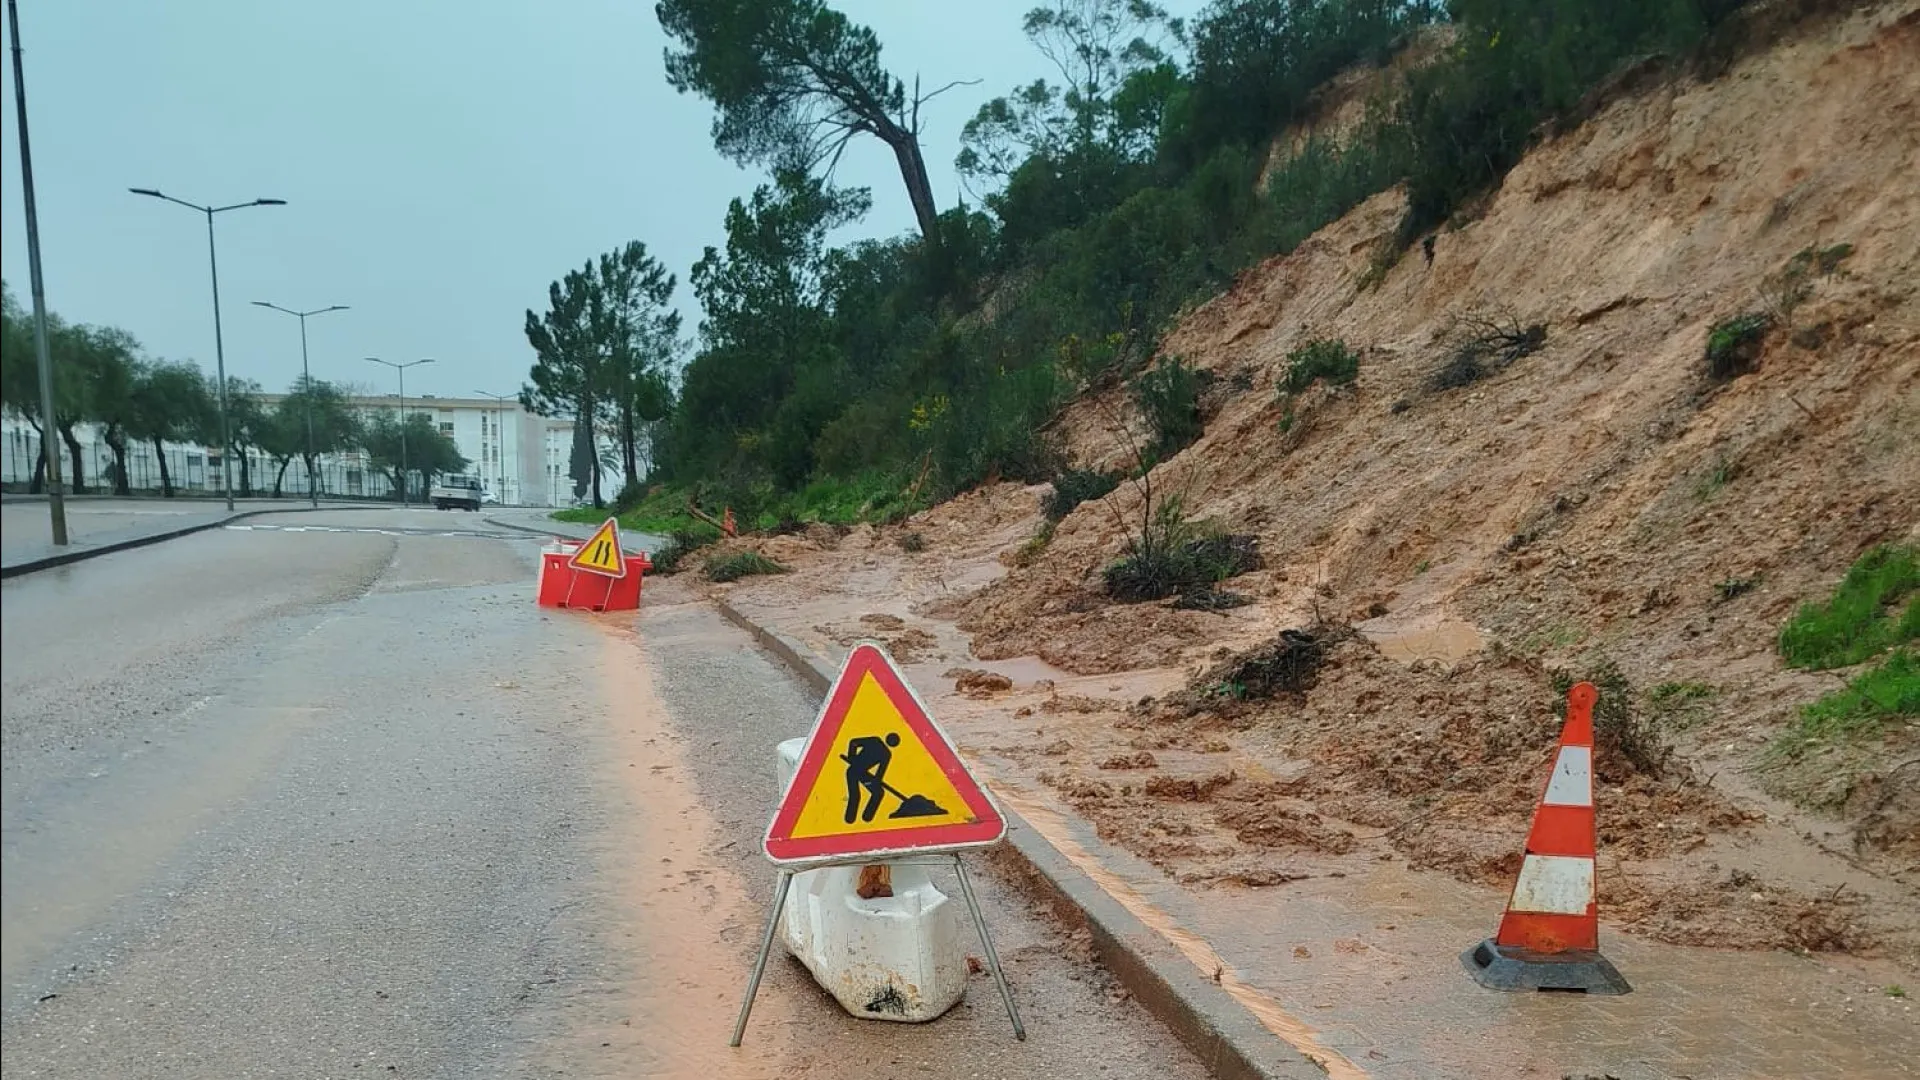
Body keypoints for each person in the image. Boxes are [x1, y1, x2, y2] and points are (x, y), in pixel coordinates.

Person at [843, 732, 900, 824]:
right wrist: (852, 758)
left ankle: (867, 817)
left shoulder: (886, 753)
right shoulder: (875, 741)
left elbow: (880, 773)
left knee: (878, 793)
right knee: (855, 795)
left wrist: (875, 782)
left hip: (862, 774)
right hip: (853, 771)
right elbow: (854, 742)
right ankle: (850, 819)